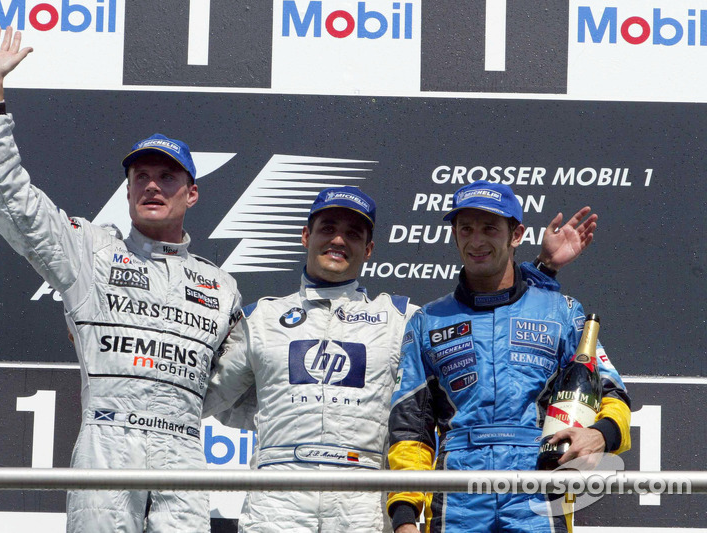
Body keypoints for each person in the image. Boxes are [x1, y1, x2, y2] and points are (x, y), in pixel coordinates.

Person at [0, 28, 242, 533]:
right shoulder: (90, 250)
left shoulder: (220, 287)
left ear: (193, 194)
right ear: (128, 187)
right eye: (141, 176)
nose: (153, 185)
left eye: (167, 176)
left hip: (183, 450)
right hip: (107, 444)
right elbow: (14, 204)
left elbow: (239, 388)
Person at [204, 185, 599, 532]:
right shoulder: (261, 318)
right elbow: (211, 399)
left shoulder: (403, 317)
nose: (338, 241)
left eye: (353, 234)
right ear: (306, 235)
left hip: (361, 497)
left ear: (369, 248)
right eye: (327, 229)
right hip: (279, 495)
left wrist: (542, 271)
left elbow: (491, 310)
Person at [387, 181, 632, 533]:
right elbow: (411, 428)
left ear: (515, 234)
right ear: (455, 236)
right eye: (465, 229)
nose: (476, 241)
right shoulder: (427, 321)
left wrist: (601, 435)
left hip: (538, 482)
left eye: (489, 228)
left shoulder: (562, 312)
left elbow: (613, 393)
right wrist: (405, 514)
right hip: (457, 490)